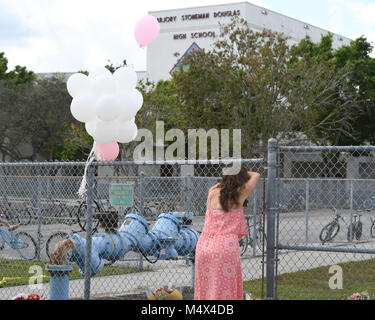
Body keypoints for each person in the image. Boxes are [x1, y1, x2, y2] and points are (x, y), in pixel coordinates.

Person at [194, 166, 261, 300]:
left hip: (204, 245)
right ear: (240, 179)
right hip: (224, 246)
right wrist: (241, 172)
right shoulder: (239, 194)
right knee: (224, 289)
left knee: (206, 289)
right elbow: (256, 175)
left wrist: (230, 173)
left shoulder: (212, 191)